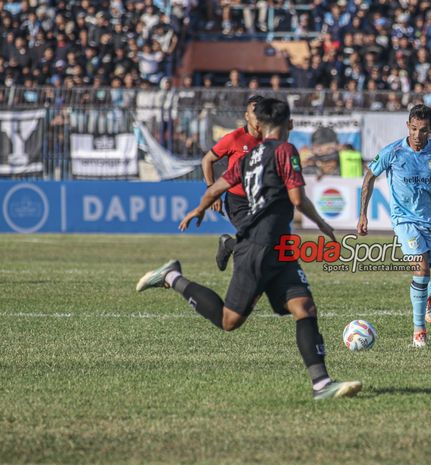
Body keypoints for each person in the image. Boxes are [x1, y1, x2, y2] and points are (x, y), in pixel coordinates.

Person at [136, 98, 362, 400]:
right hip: (258, 246)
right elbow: (297, 199)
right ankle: (171, 278)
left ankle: (322, 384)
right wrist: (321, 223)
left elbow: (217, 187)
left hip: (278, 246)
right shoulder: (285, 150)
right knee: (229, 321)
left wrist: (199, 209)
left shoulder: (249, 156)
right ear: (286, 124)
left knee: (304, 308)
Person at [356, 104, 431, 348]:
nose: (418, 135)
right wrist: (362, 214)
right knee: (421, 267)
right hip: (404, 220)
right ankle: (419, 331)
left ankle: (427, 295)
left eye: (424, 130)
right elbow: (369, 177)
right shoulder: (393, 152)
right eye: (414, 129)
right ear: (408, 126)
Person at [200, 95, 263, 271]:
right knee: (253, 241)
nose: (258, 116)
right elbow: (207, 160)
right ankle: (240, 277)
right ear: (246, 116)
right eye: (254, 112)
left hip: (260, 199)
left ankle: (229, 244)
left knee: (264, 242)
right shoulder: (234, 138)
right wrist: (213, 191)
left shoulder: (269, 139)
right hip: (238, 200)